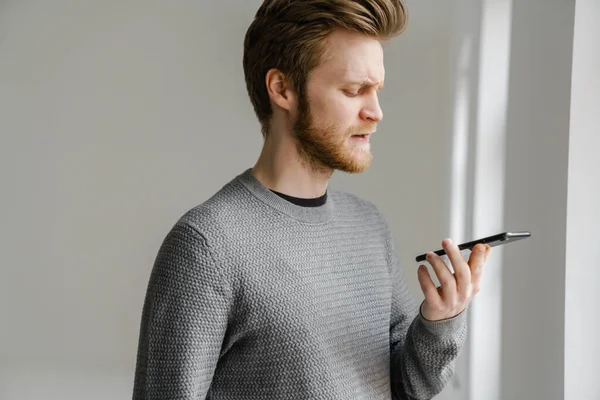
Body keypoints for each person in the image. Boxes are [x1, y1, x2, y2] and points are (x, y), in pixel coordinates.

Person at [132, 0, 491, 399]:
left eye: (377, 90)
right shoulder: (206, 246)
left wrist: (440, 319)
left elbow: (409, 387)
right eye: (355, 90)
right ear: (282, 88)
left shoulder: (369, 226)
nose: (376, 111)